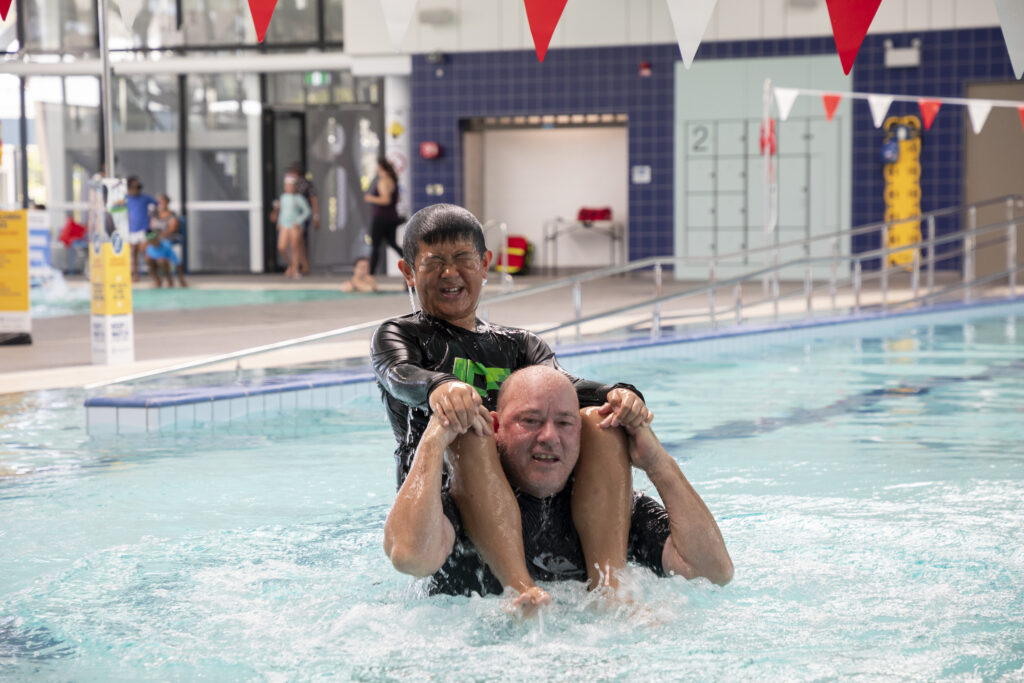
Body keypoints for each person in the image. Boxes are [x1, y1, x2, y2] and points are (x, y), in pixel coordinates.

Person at [371, 203, 652, 614]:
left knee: (600, 421)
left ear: (485, 264)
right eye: (435, 263)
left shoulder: (519, 345)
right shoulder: (400, 334)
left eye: (463, 259)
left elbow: (567, 390)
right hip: (443, 491)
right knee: (471, 425)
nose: (451, 274)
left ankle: (609, 583)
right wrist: (438, 386)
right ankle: (521, 589)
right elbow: (398, 375)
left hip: (517, 489)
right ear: (409, 272)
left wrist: (619, 393)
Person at [384, 365, 733, 599]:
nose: (549, 437)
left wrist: (657, 462)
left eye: (565, 423)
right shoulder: (467, 504)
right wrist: (433, 441)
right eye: (530, 421)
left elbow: (712, 572)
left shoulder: (613, 509)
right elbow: (409, 557)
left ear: (580, 435)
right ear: (495, 427)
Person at [364, 157, 402, 275]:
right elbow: (398, 198)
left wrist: (370, 198)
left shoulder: (383, 181)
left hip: (381, 218)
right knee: (392, 243)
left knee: (375, 246)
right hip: (392, 217)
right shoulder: (392, 180)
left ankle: (371, 273)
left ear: (380, 167)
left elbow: (386, 200)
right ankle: (410, 261)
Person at [144, 194, 187, 288]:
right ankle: (157, 280)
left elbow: (178, 263)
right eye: (159, 201)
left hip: (168, 239)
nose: (160, 203)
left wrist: (182, 280)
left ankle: (169, 280)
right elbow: (151, 229)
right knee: (148, 258)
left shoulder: (172, 215)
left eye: (162, 201)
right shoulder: (155, 215)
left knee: (161, 261)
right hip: (157, 240)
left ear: (167, 202)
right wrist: (153, 237)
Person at [275, 174, 312, 279]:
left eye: (290, 185)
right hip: (284, 225)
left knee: (294, 247)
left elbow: (307, 211)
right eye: (286, 185)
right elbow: (282, 212)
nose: (288, 187)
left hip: (294, 225)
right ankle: (291, 265)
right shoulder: (283, 197)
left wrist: (298, 221)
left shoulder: (298, 198)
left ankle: (295, 270)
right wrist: (279, 222)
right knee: (281, 247)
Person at [288, 162, 319, 275]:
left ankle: (301, 265)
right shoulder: (292, 184)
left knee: (300, 240)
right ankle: (303, 265)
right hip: (294, 216)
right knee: (299, 241)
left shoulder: (305, 184)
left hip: (301, 217)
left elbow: (313, 199)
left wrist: (316, 216)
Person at [124, 176, 158, 282]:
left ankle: (154, 273)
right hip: (132, 229)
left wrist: (153, 217)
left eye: (136, 187)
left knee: (147, 251)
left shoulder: (145, 198)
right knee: (133, 252)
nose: (135, 190)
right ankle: (136, 275)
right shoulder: (126, 199)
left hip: (145, 229)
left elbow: (156, 205)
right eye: (132, 188)